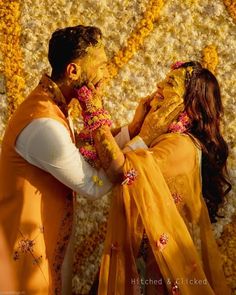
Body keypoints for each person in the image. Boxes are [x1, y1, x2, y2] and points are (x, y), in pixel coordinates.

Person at [0, 25, 149, 294]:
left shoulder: (54, 107)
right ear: (73, 71)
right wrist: (142, 142)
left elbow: (84, 152)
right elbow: (93, 185)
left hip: (45, 242)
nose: (106, 74)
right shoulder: (45, 124)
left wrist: (132, 129)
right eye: (101, 66)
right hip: (25, 258)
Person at [77, 61, 231, 294]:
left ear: (188, 103)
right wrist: (138, 127)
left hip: (159, 272)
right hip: (142, 260)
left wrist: (144, 131)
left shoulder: (180, 145)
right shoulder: (164, 137)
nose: (159, 85)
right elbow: (93, 151)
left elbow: (120, 170)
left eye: (170, 83)